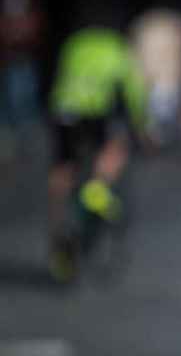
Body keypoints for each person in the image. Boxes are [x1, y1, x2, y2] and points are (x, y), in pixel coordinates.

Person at [47, 27, 147, 282]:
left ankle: (60, 229)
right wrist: (140, 121)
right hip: (94, 108)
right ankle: (98, 186)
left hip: (64, 108)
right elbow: (133, 89)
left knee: (63, 167)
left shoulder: (75, 42)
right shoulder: (116, 48)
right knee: (116, 146)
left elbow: (58, 74)